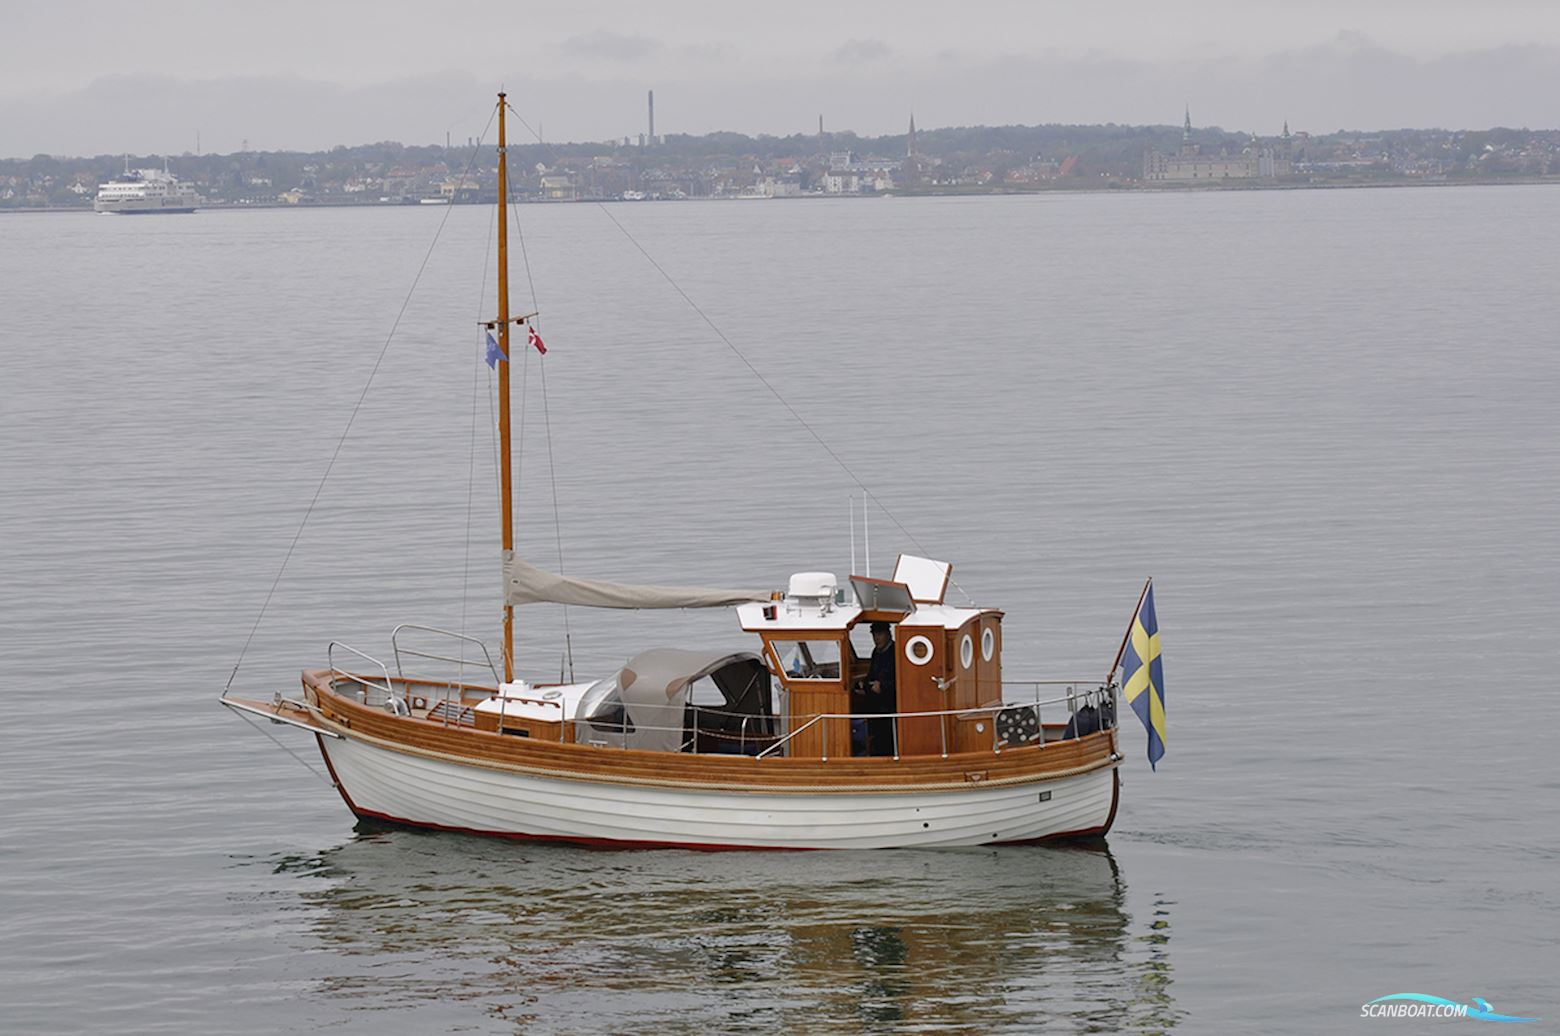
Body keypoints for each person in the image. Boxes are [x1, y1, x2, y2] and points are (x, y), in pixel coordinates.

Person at [863, 621, 897, 756]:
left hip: (891, 704)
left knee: (886, 734)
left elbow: (902, 679)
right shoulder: (876, 652)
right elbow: (871, 674)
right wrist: (865, 685)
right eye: (874, 635)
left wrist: (883, 686)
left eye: (879, 634)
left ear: (888, 634)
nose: (876, 638)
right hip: (877, 702)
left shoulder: (895, 652)